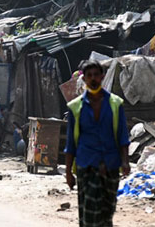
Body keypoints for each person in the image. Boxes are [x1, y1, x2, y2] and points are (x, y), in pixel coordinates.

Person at [64, 60, 130, 227]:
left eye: (96, 75)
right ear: (84, 79)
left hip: (111, 164)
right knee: (88, 213)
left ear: (102, 77)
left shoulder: (115, 103)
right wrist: (68, 172)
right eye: (89, 75)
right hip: (87, 165)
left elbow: (123, 136)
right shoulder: (75, 107)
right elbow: (70, 143)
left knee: (107, 213)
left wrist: (125, 161)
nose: (93, 79)